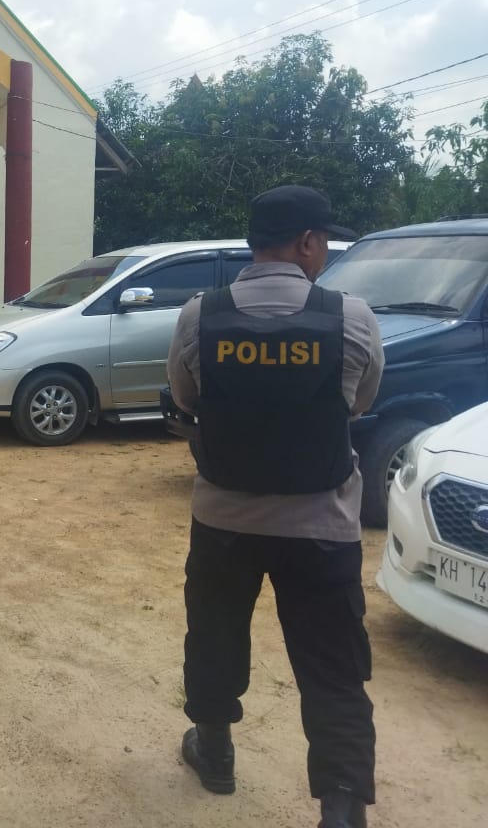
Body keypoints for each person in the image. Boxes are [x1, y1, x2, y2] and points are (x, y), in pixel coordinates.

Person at [166, 184, 384, 828]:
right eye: (325, 242)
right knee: (334, 669)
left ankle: (215, 751)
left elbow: (186, 397)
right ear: (308, 242)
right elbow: (359, 403)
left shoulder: (198, 315)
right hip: (322, 524)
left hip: (224, 520)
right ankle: (341, 807)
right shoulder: (352, 316)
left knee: (215, 637)